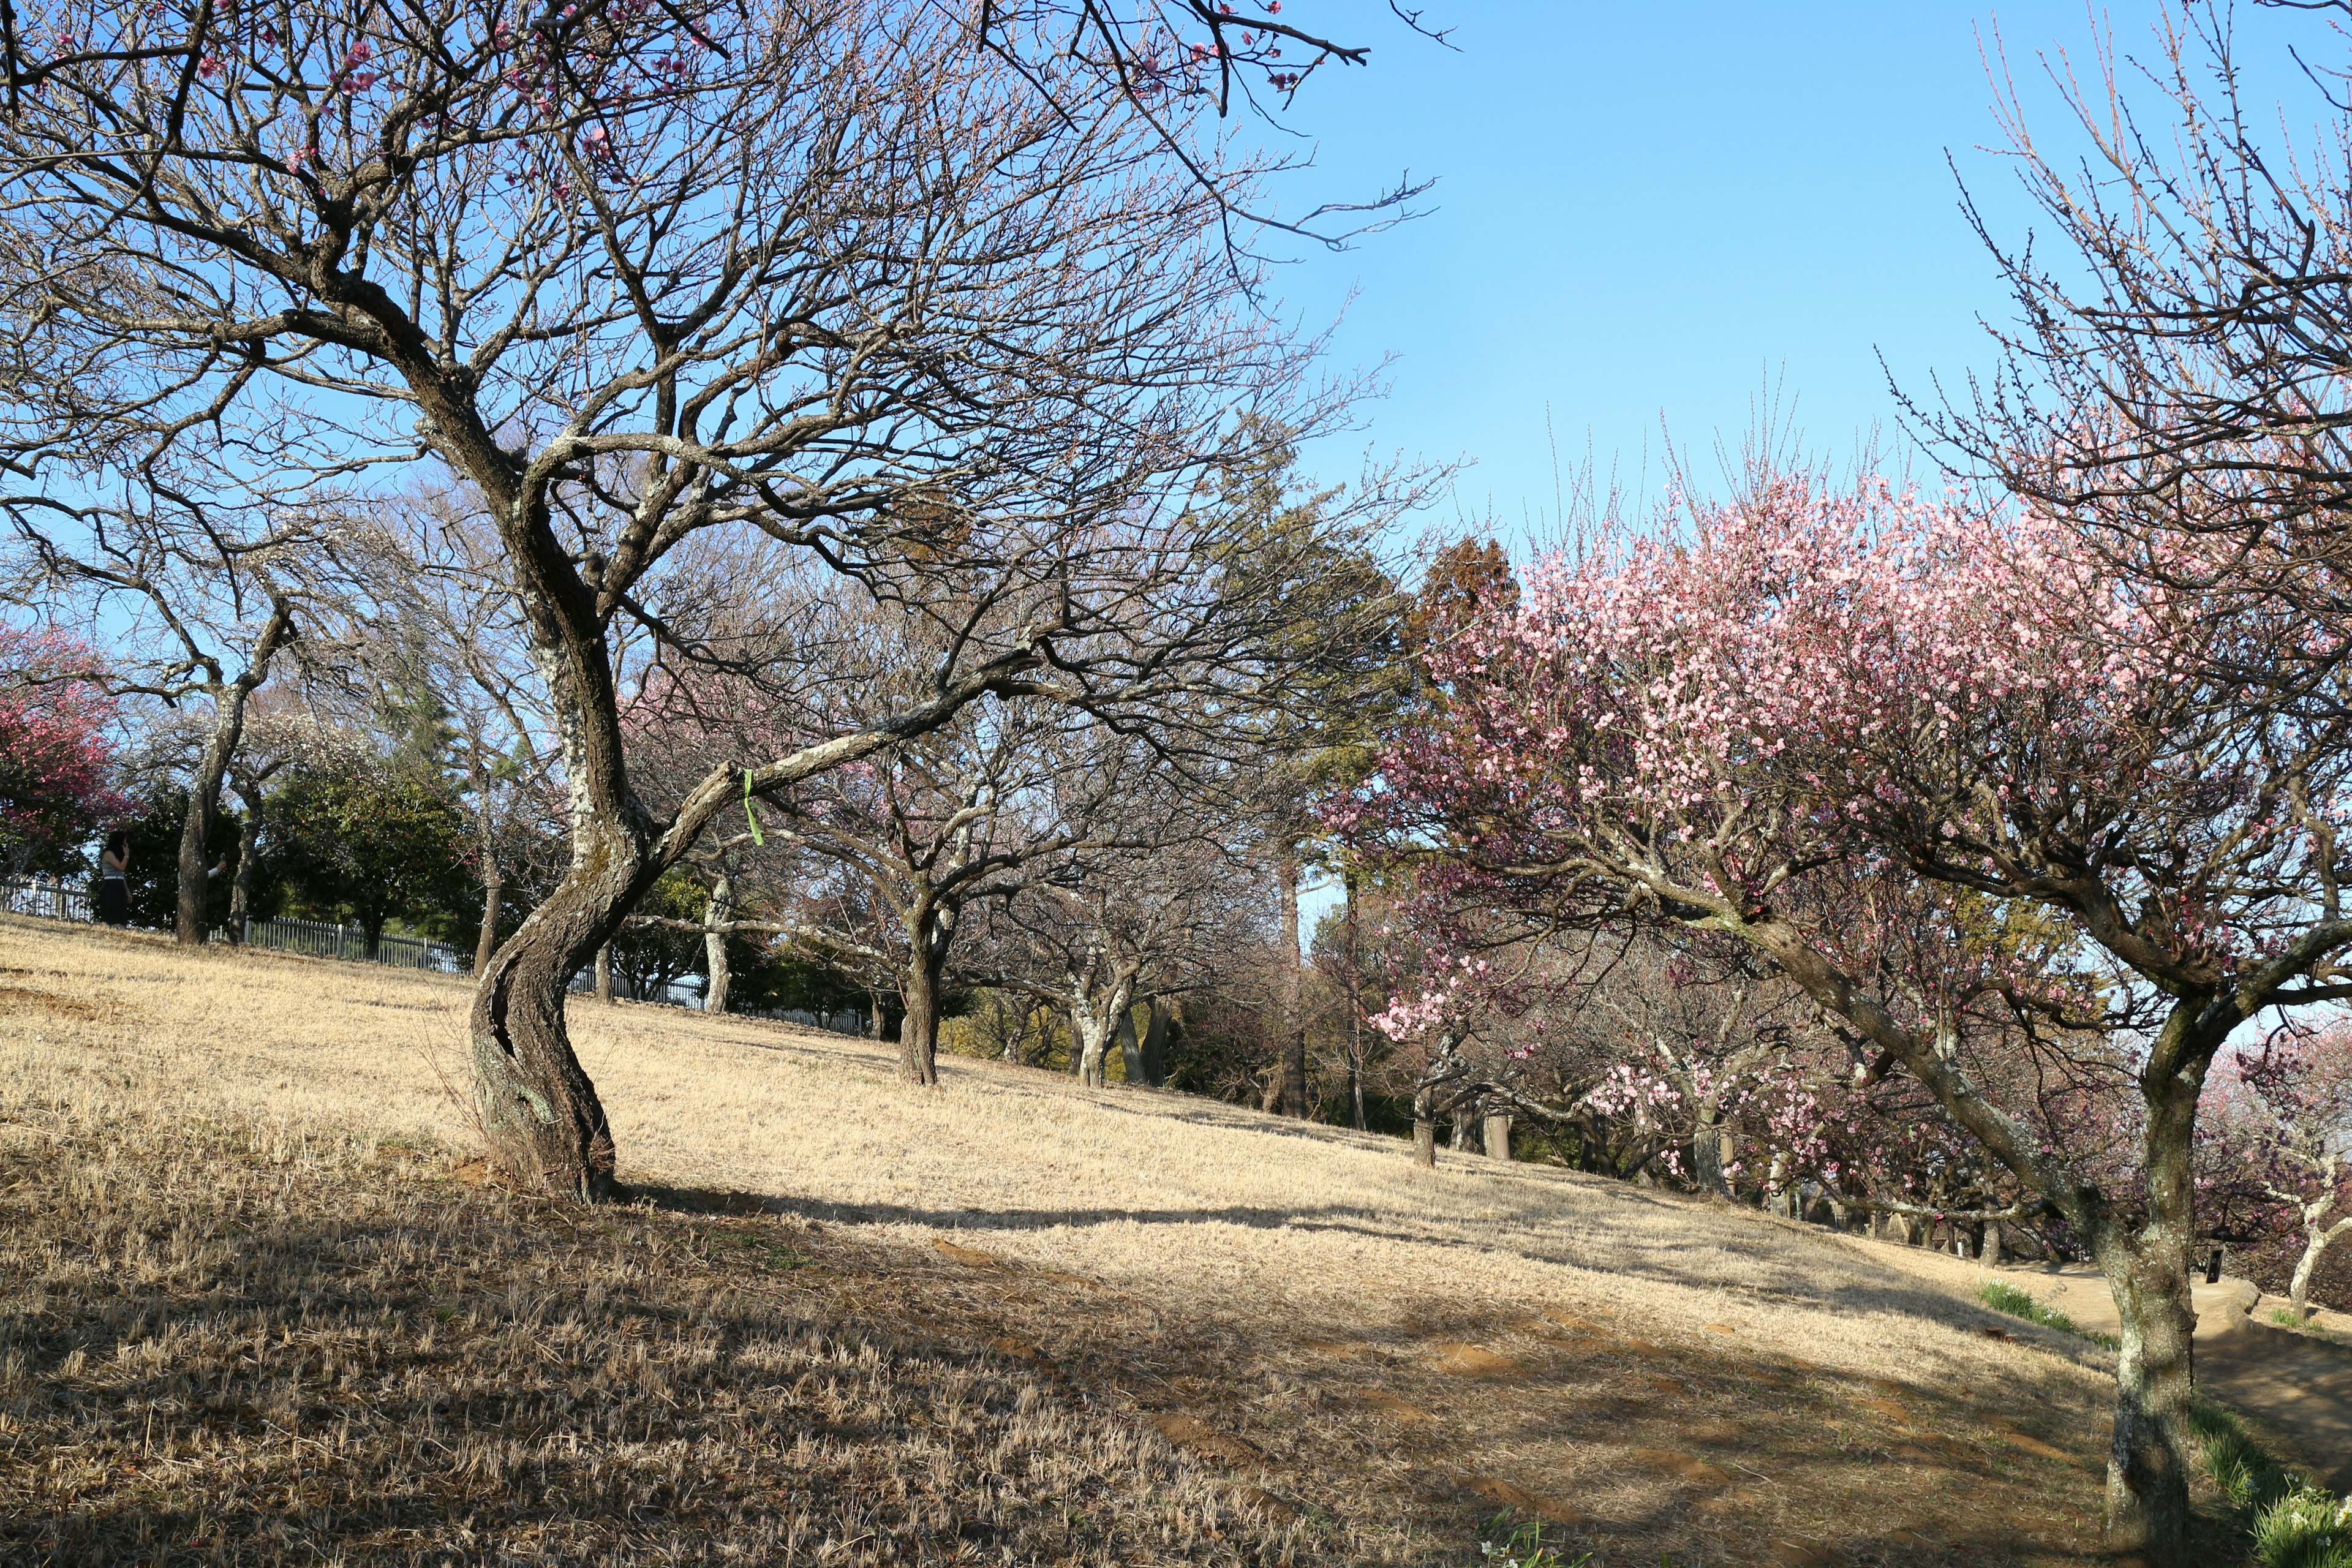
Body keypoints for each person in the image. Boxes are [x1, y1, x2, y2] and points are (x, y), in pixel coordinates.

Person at [96, 831, 129, 926]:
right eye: (124, 840)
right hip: (111, 883)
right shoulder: (109, 854)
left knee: (121, 911)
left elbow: (121, 874)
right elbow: (121, 867)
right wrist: (127, 855)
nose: (126, 843)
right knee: (112, 910)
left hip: (119, 883)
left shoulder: (118, 855)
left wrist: (127, 891)